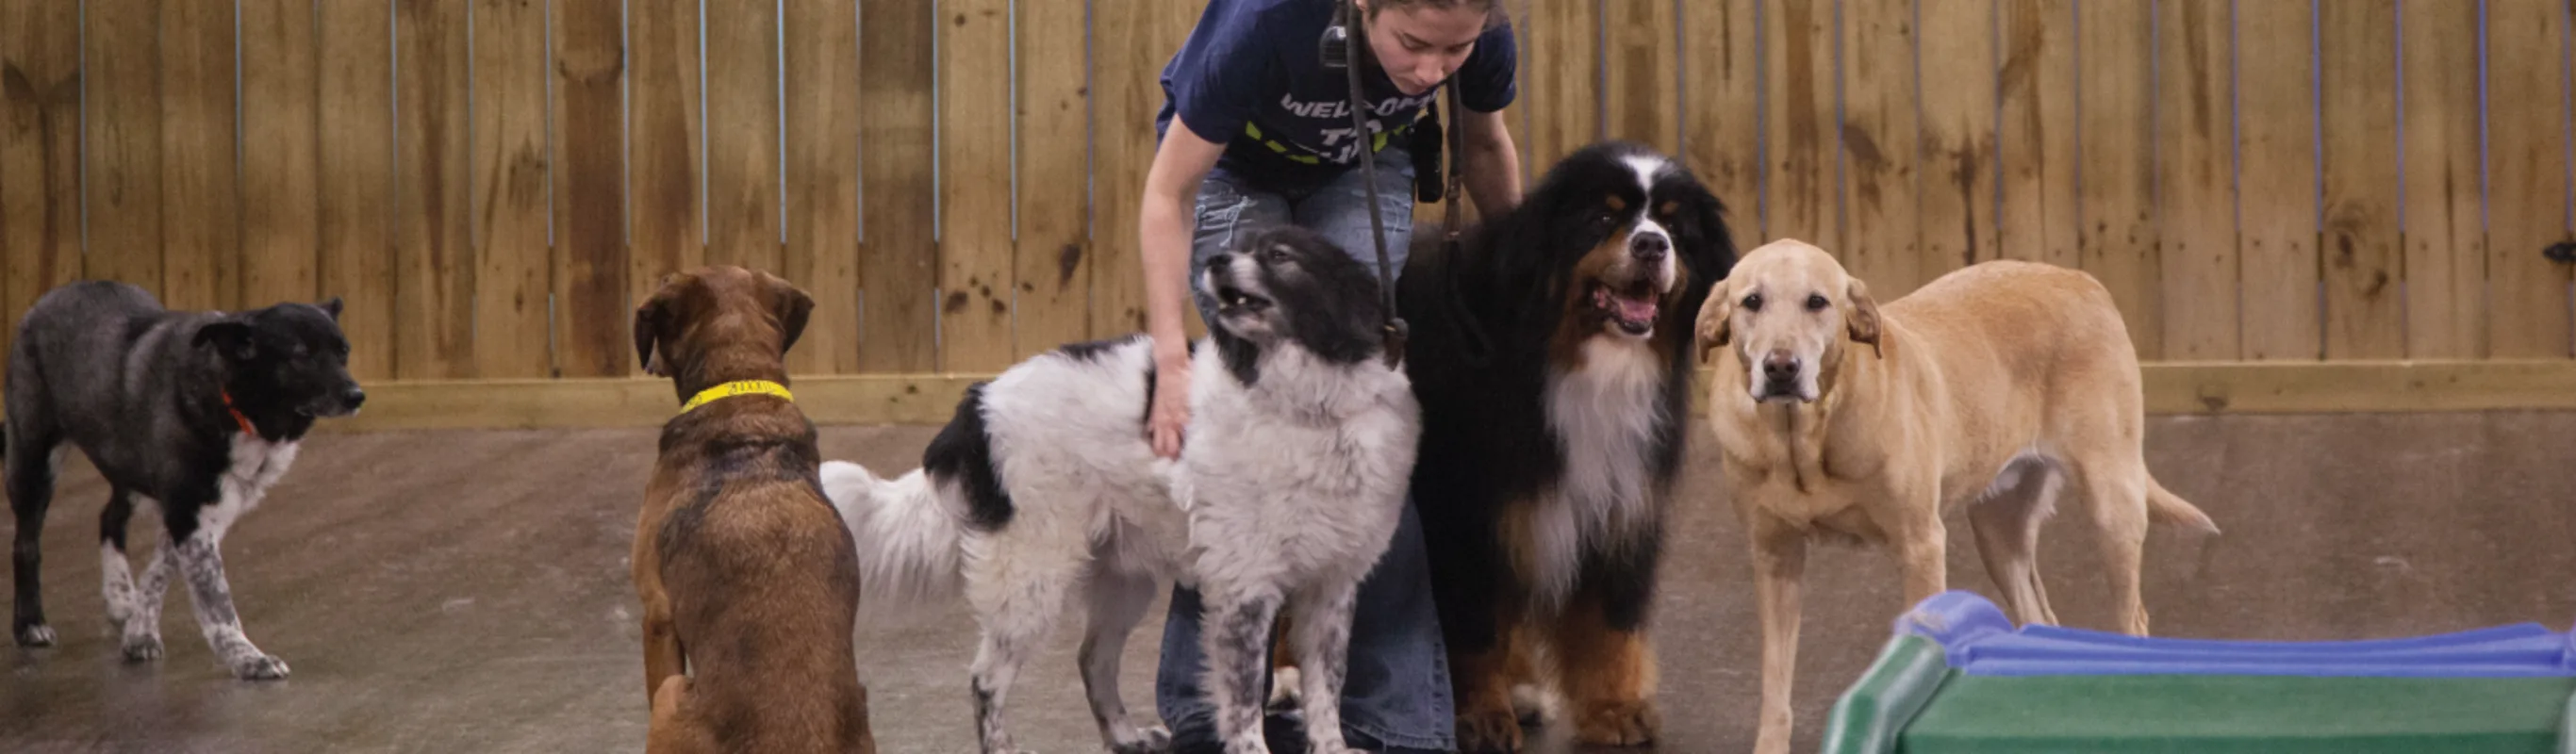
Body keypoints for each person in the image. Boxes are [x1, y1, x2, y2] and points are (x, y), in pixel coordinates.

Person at [1139, 0, 1523, 751]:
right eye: (1411, 44)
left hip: (1362, 163)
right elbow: (1168, 193)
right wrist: (1171, 361)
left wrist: (1524, 296)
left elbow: (1485, 147)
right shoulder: (1267, 23)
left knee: (1364, 426)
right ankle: (1206, 710)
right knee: (1247, 436)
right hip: (1230, 172)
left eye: (1452, 55)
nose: (1427, 72)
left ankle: (1397, 716)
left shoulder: (1488, 37)